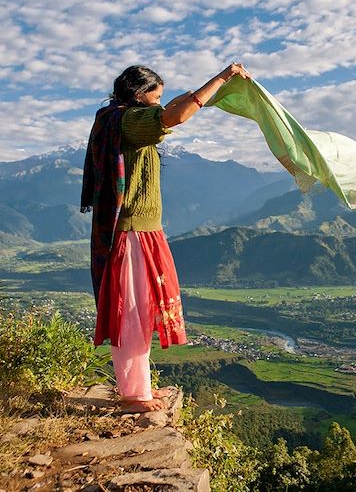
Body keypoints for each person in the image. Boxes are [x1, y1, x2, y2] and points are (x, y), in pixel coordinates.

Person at [81, 62, 251, 412]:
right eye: (154, 98)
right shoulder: (129, 122)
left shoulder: (120, 119)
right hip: (131, 233)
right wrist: (221, 78)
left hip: (142, 231)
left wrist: (205, 87)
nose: (159, 105)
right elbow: (175, 116)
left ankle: (138, 387)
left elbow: (172, 107)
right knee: (131, 313)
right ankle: (134, 395)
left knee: (139, 310)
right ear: (138, 96)